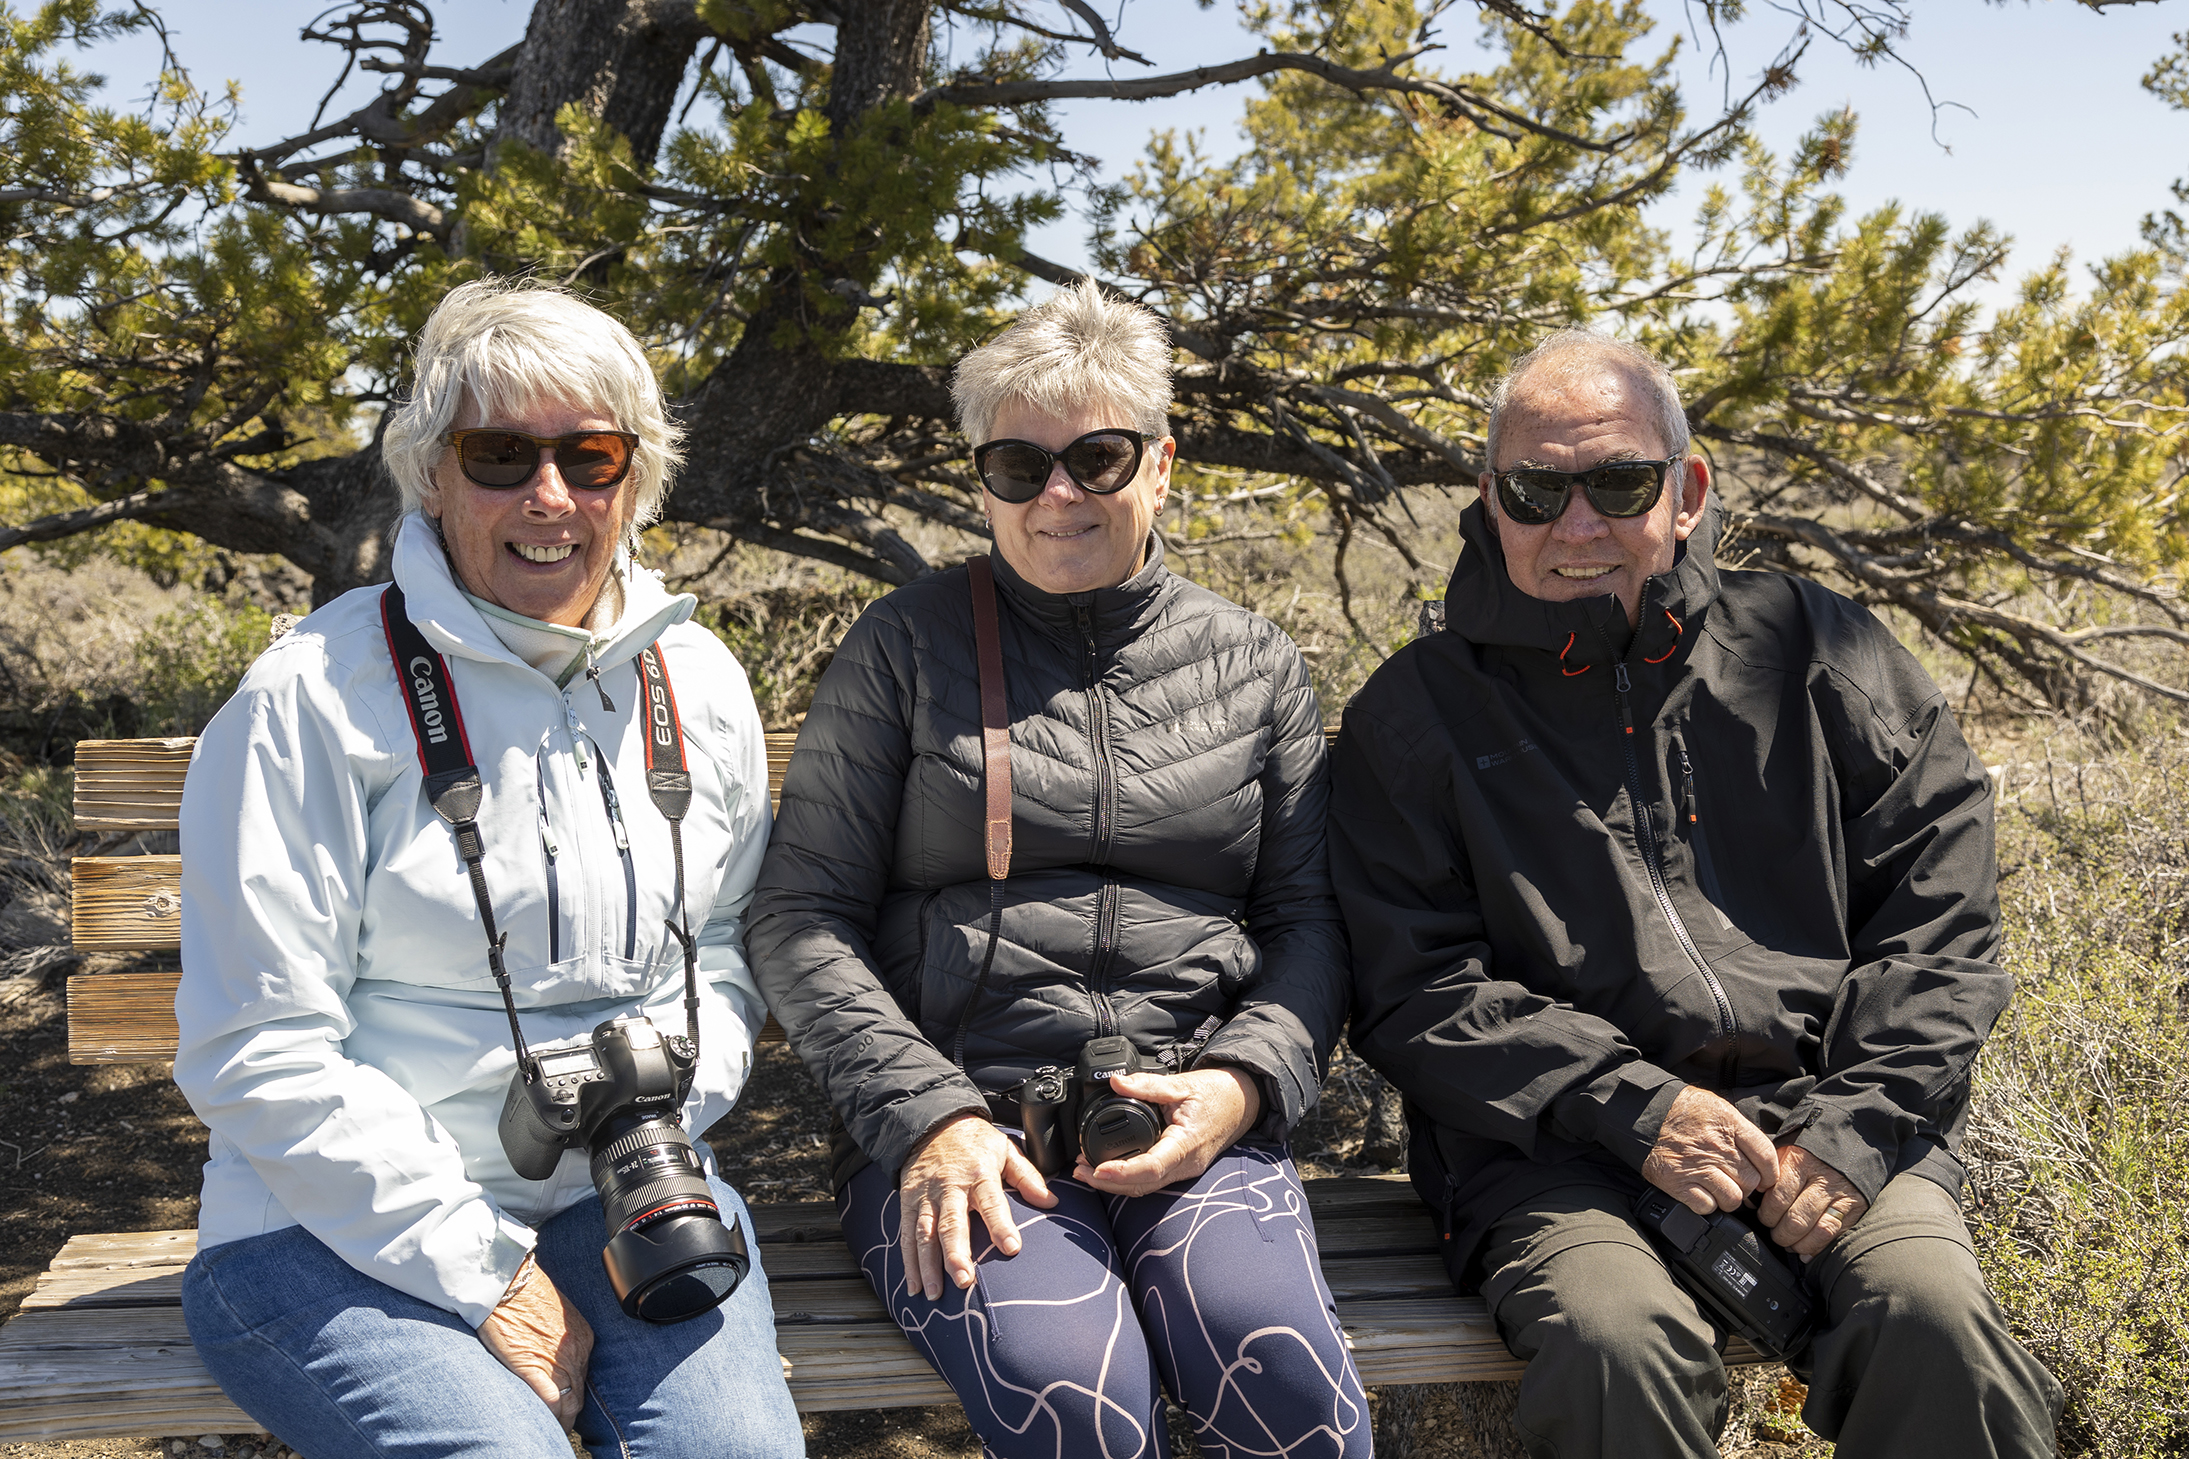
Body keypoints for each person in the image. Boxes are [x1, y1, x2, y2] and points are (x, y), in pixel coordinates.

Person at [1329, 330, 2064, 1458]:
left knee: (1930, 1323)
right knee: (1614, 1347)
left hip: (1831, 1119)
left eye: (1619, 483)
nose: (1577, 526)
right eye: (1536, 491)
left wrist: (1854, 1127)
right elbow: (1411, 984)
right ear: (1489, 500)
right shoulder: (1413, 711)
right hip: (1555, 1155)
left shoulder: (1819, 648)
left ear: (1687, 491)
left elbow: (1939, 924)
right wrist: (1633, 1107)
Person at [172, 279, 804, 1459]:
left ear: (635, 478)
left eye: (591, 455)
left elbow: (723, 943)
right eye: (500, 454)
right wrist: (483, 1270)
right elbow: (255, 1047)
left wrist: (670, 1098)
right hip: (325, 1230)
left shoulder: (698, 682)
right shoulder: (312, 698)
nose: (549, 496)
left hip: (626, 1197)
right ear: (430, 474)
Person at [746, 280, 1369, 1459]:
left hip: (1189, 1112)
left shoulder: (1253, 663)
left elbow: (1308, 918)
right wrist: (926, 1114)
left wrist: (1240, 1085)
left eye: (1096, 457)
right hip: (963, 1124)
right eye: (1018, 466)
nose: (1058, 494)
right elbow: (800, 916)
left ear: (1161, 465)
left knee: (1285, 1382)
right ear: (980, 480)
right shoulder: (903, 646)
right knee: (1073, 1400)